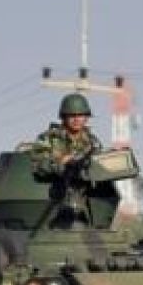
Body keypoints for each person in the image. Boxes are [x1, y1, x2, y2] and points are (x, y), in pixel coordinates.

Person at [29, 93, 103, 228]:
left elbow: (100, 170)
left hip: (84, 203)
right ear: (63, 117)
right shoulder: (49, 138)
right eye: (72, 115)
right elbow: (38, 165)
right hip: (53, 201)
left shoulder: (92, 142)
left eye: (80, 115)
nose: (76, 119)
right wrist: (60, 163)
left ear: (86, 117)